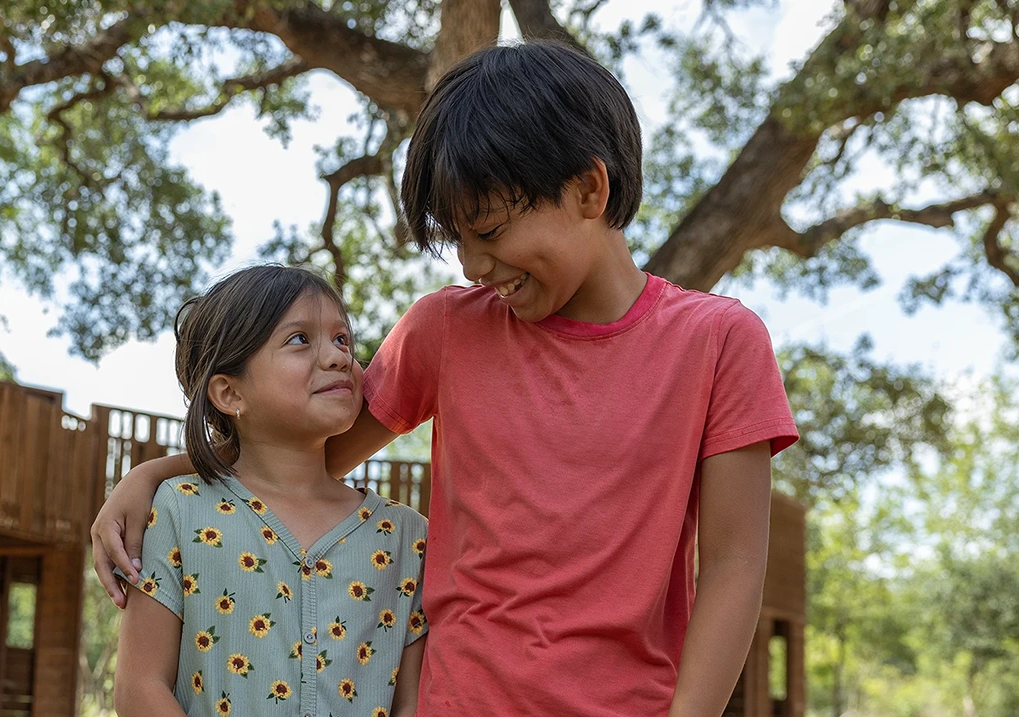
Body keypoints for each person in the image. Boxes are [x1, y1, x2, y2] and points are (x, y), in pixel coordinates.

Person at [96, 41, 798, 717]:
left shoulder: (719, 342)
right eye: (457, 239)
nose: (472, 265)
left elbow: (734, 564)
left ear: (589, 188)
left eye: (488, 232)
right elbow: (303, 457)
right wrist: (157, 473)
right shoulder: (444, 328)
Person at [112, 265, 428, 717]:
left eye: (342, 340)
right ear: (228, 392)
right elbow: (140, 688)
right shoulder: (180, 510)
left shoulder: (405, 536)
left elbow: (412, 703)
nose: (339, 357)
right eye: (299, 339)